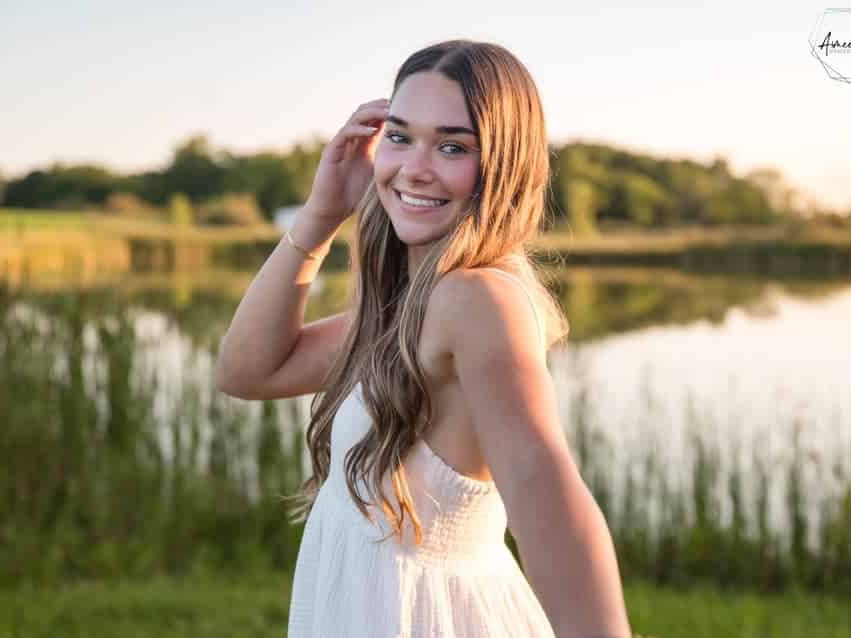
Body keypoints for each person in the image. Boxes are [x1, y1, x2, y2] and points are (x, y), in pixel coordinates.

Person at [215, 39, 632, 638]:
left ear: (502, 165)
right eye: (400, 136)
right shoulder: (408, 305)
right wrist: (321, 213)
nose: (415, 167)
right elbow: (246, 371)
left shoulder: (478, 299)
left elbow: (548, 499)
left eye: (453, 146)